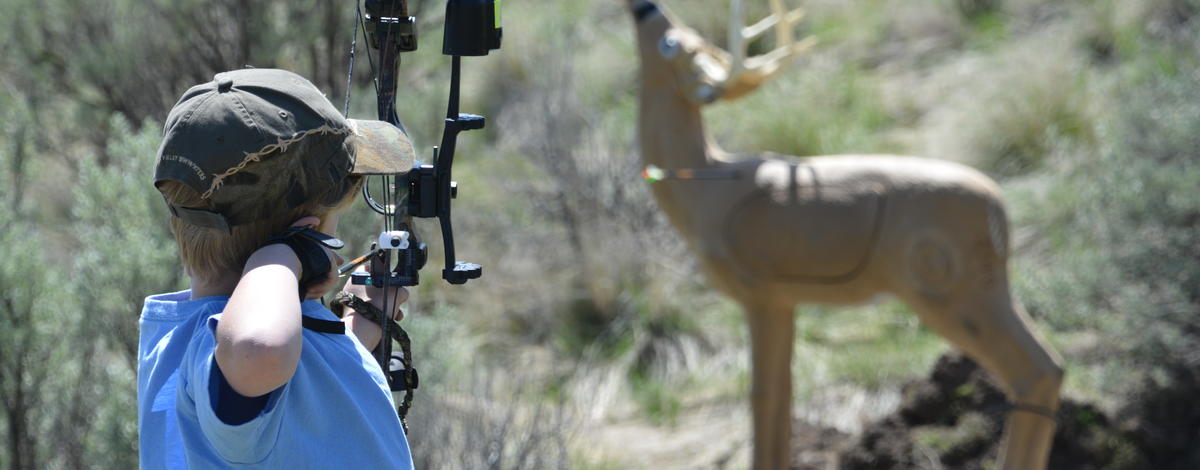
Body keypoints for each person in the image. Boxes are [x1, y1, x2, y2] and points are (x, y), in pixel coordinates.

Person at [137, 68, 417, 469]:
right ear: (306, 238)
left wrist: (353, 335)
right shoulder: (216, 353)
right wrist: (284, 253)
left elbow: (290, 409)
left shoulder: (222, 355)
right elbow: (258, 351)